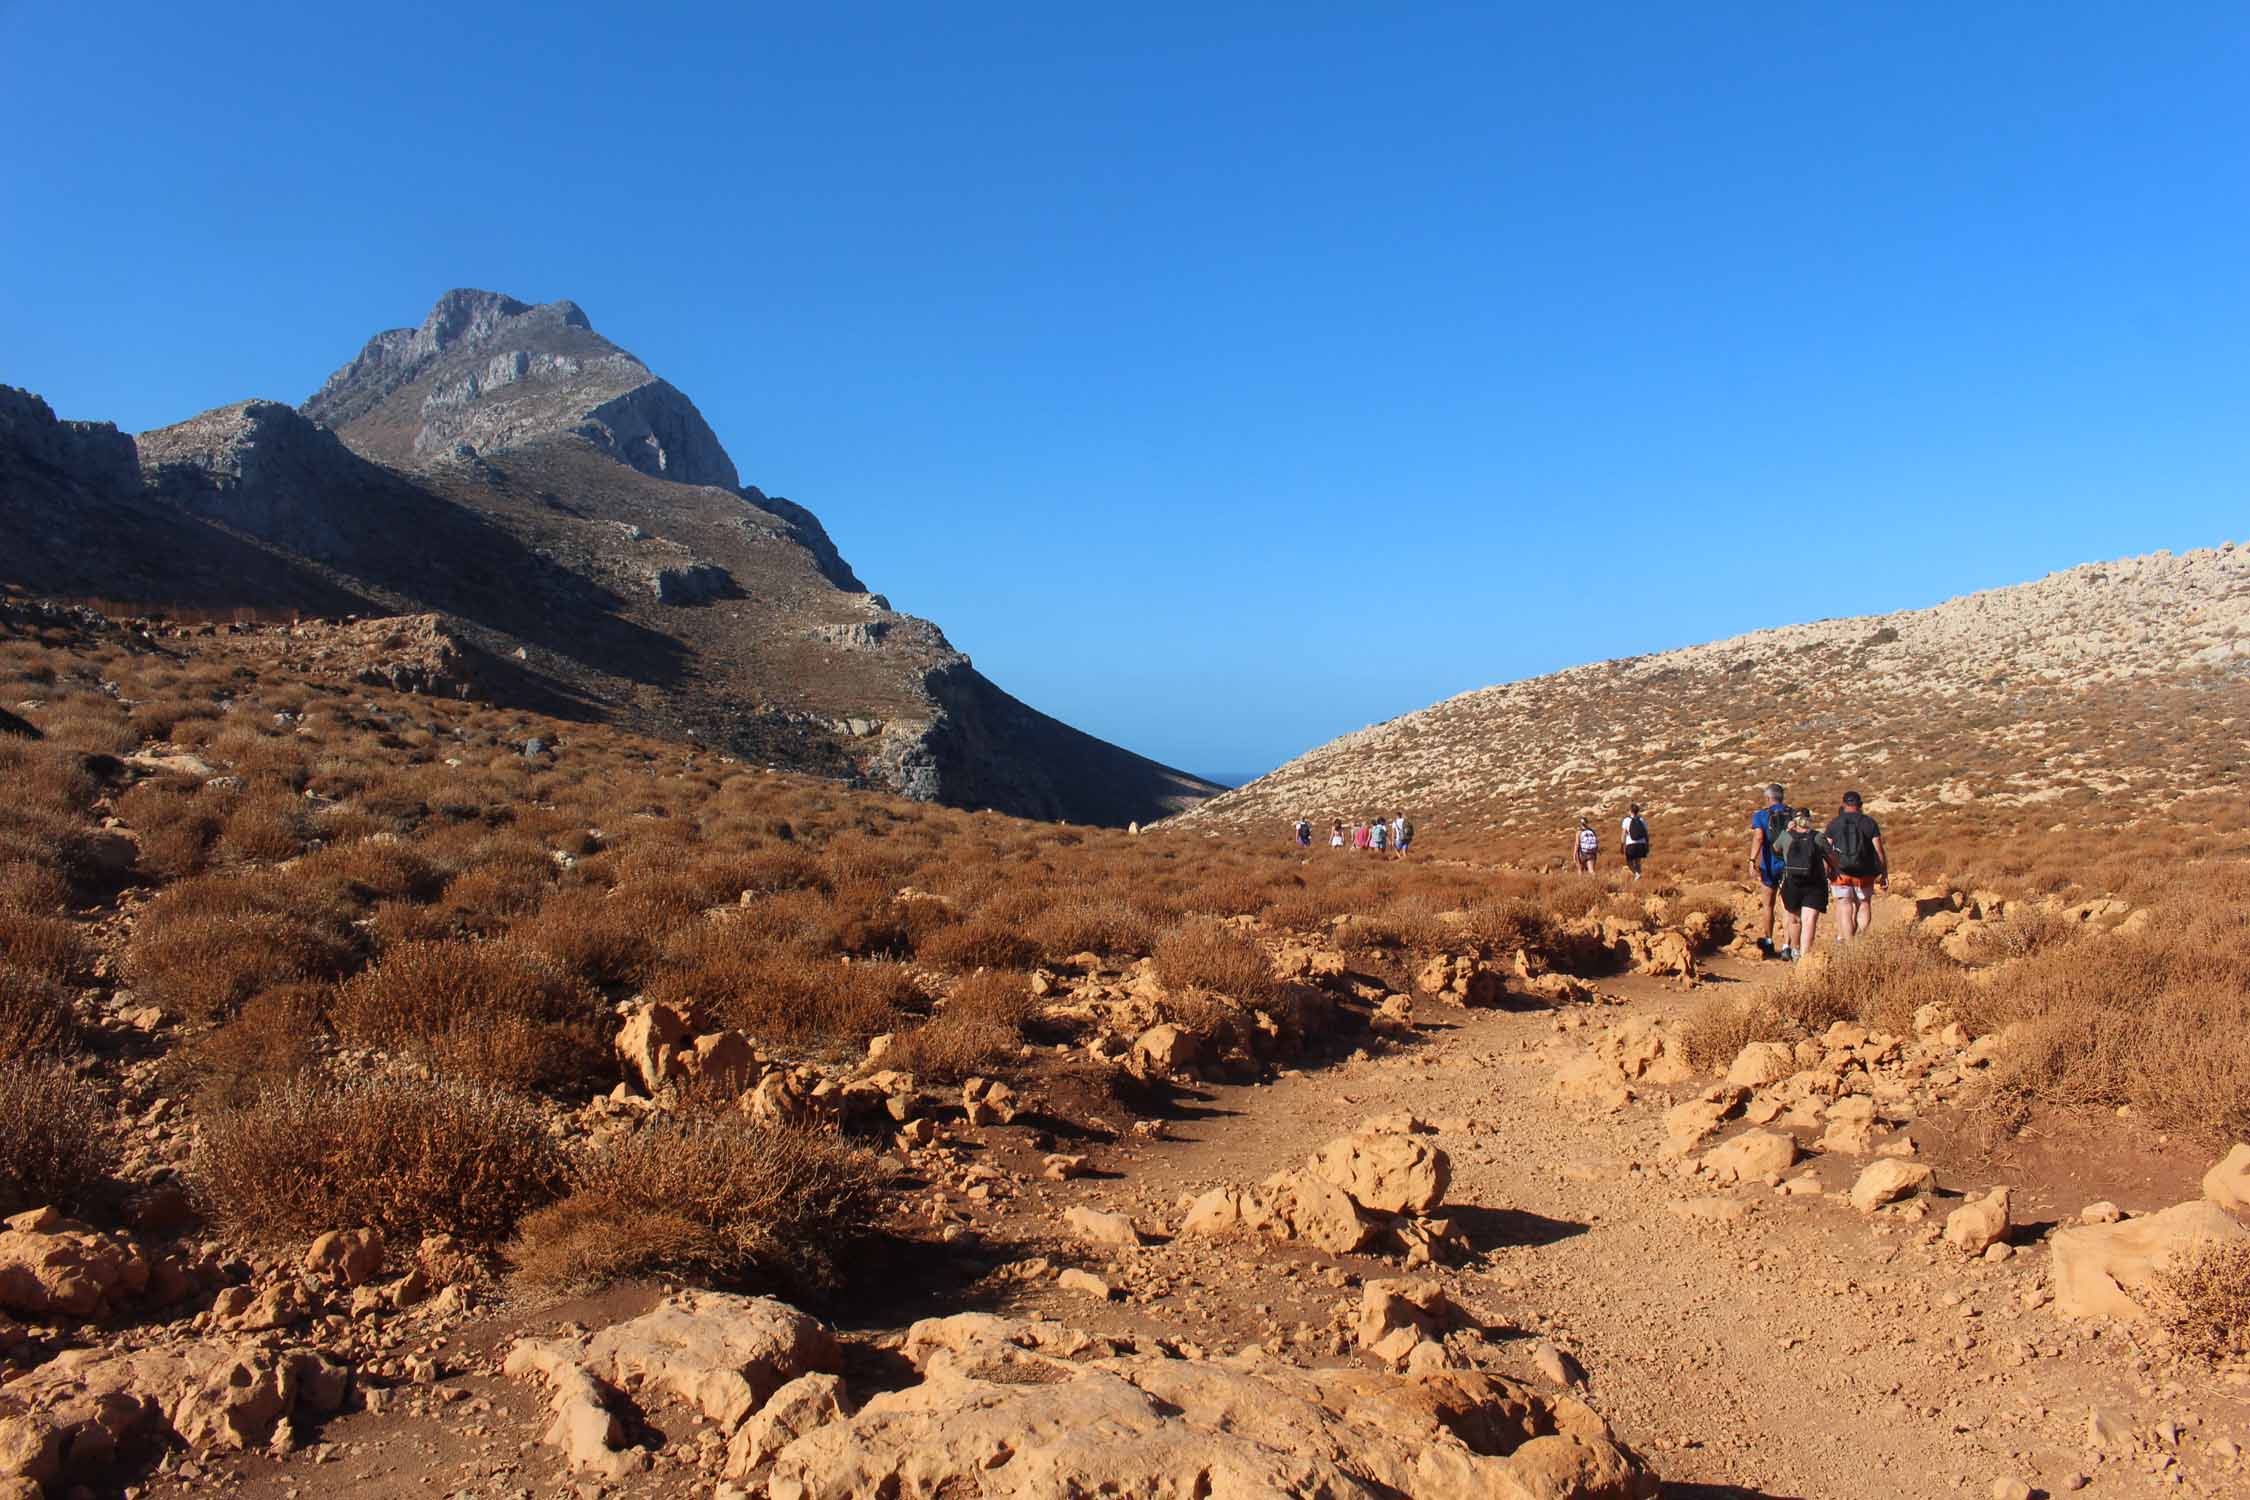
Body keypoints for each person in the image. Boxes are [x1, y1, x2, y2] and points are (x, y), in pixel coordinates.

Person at [1771, 810, 1836, 959]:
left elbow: (1775, 848)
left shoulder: (1786, 836)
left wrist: (1787, 831)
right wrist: (1834, 871)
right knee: (1809, 920)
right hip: (1814, 883)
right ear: (1809, 820)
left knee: (1794, 919)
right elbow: (1831, 855)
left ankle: (1796, 950)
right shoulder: (1818, 837)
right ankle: (1806, 956)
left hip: (1792, 882)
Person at [1824, 790, 1888, 941]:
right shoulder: (1869, 822)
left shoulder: (1834, 823)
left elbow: (1826, 850)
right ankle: (1861, 939)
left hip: (1841, 873)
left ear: (1844, 804)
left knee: (1844, 905)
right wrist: (1884, 872)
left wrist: (1826, 872)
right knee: (1864, 903)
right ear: (1860, 805)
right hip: (1865, 872)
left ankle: (1849, 944)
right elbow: (1879, 850)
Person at [1748, 783, 1793, 957]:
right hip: (1789, 865)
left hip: (1769, 866)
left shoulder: (1761, 815)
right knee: (1788, 906)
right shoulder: (1793, 813)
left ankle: (1768, 941)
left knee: (1768, 905)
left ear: (1768, 798)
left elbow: (1759, 837)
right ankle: (1787, 947)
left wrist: (1752, 860)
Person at [1619, 803, 1650, 881]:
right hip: (1641, 844)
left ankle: (1636, 874)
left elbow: (1623, 834)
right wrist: (1647, 845)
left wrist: (1622, 845)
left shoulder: (1626, 820)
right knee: (1638, 862)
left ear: (1630, 811)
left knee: (1629, 862)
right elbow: (1646, 834)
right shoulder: (1641, 820)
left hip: (1631, 844)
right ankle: (1638, 877)